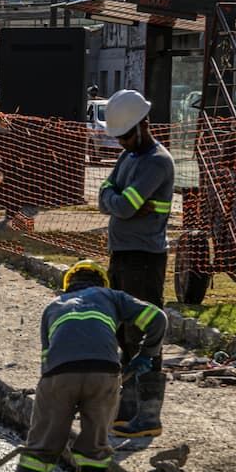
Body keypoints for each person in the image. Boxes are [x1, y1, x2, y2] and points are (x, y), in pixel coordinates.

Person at [0, 260, 167, 472]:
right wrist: (147, 354)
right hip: (105, 374)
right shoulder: (112, 297)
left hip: (58, 377)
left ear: (68, 285)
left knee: (37, 451)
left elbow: (46, 361)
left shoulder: (53, 306)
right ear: (102, 282)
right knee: (94, 450)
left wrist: (57, 404)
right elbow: (158, 318)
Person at [97, 89, 175, 439]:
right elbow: (107, 195)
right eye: (119, 138)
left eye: (126, 135)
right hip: (123, 255)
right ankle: (127, 406)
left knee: (143, 332)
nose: (123, 143)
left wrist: (117, 201)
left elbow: (124, 206)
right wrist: (118, 200)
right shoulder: (128, 158)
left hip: (145, 258)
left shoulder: (157, 161)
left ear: (143, 126)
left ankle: (148, 414)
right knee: (123, 332)